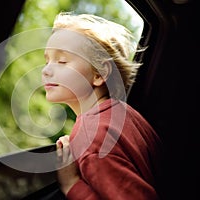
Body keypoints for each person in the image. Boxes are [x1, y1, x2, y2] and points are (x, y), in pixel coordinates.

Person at [41, 12, 162, 200]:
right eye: (46, 60)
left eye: (62, 61)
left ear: (99, 74)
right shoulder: (126, 114)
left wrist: (71, 185)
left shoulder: (91, 135)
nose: (46, 70)